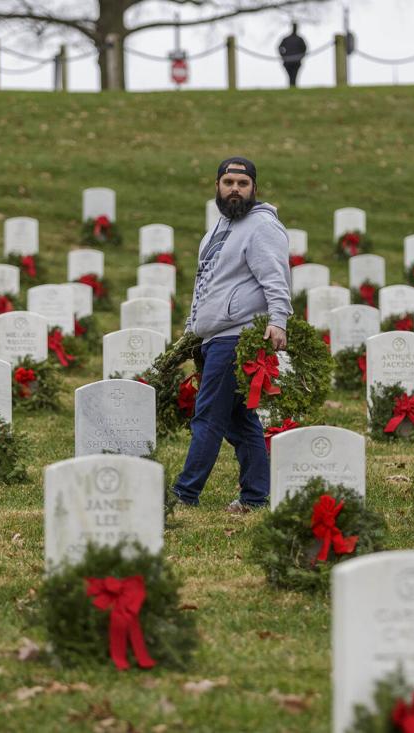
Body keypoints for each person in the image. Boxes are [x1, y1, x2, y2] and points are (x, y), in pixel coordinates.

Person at [175, 157, 291, 514]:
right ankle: (255, 496)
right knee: (240, 423)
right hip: (214, 338)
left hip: (236, 337)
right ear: (218, 187)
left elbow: (276, 277)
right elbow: (206, 285)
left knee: (208, 415)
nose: (235, 189)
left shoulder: (261, 227)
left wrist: (279, 319)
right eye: (228, 183)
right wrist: (193, 331)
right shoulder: (217, 230)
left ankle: (184, 493)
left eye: (242, 183)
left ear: (254, 188)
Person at [278, 23, 307, 88]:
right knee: (292, 76)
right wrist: (283, 56)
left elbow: (304, 49)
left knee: (293, 76)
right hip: (290, 61)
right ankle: (292, 87)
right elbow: (280, 48)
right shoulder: (297, 39)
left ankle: (292, 87)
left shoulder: (298, 39)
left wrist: (283, 56)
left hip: (293, 61)